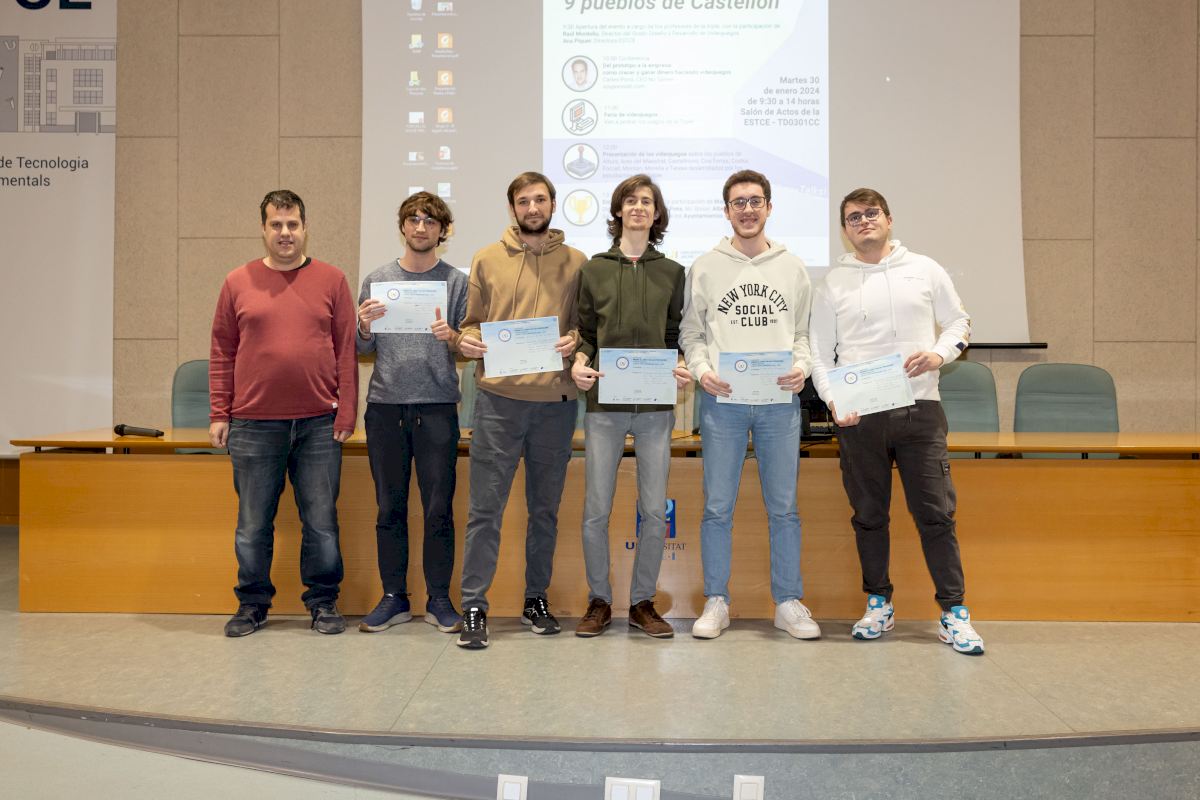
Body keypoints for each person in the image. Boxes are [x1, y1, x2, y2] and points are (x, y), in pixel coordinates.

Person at [809, 187, 984, 655]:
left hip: (919, 411)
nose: (864, 221)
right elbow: (819, 354)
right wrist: (833, 401)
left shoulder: (925, 269)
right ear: (844, 230)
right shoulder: (832, 285)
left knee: (936, 515)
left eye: (871, 213)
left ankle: (954, 612)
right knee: (869, 516)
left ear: (888, 219)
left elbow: (959, 322)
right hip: (859, 417)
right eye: (853, 217)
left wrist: (939, 354)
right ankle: (878, 604)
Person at [209, 189, 358, 637]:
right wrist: (220, 412)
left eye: (292, 224)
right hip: (253, 424)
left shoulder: (332, 280)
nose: (285, 233)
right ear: (264, 229)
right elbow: (222, 350)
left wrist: (347, 412)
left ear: (305, 228)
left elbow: (346, 350)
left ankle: (323, 603)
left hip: (319, 424)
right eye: (276, 224)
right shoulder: (237, 281)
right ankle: (252, 605)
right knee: (253, 525)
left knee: (321, 523)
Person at [679, 170, 819, 641]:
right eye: (738, 202)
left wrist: (802, 366)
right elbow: (692, 334)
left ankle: (787, 602)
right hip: (724, 404)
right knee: (718, 507)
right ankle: (716, 600)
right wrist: (702, 372)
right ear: (726, 211)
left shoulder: (793, 267)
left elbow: (803, 335)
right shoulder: (705, 267)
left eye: (755, 201)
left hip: (779, 403)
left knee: (784, 509)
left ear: (769, 207)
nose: (747, 210)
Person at [452, 172, 586, 649]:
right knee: (484, 511)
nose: (532, 208)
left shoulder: (577, 262)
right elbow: (471, 325)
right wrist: (468, 342)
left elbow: (584, 329)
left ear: (553, 204)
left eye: (540, 199)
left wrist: (575, 342)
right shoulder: (486, 258)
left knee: (544, 512)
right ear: (512, 208)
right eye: (524, 201)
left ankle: (535, 599)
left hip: (555, 405)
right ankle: (474, 605)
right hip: (498, 404)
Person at [571, 175, 691, 639]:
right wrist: (579, 362)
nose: (639, 207)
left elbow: (674, 335)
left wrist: (680, 362)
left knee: (655, 510)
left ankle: (642, 602)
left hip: (656, 406)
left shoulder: (673, 272)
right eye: (630, 200)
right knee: (596, 509)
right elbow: (586, 333)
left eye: (647, 201)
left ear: (657, 214)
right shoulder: (594, 269)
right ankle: (599, 601)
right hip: (604, 403)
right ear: (618, 210)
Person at [355, 192, 467, 635]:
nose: (421, 227)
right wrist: (364, 326)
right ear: (402, 226)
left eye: (431, 221)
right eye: (414, 219)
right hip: (385, 407)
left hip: (437, 406)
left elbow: (469, 347)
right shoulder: (377, 279)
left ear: (443, 231)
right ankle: (394, 597)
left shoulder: (456, 282)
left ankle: (439, 599)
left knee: (439, 508)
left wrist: (452, 336)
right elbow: (362, 348)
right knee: (389, 507)